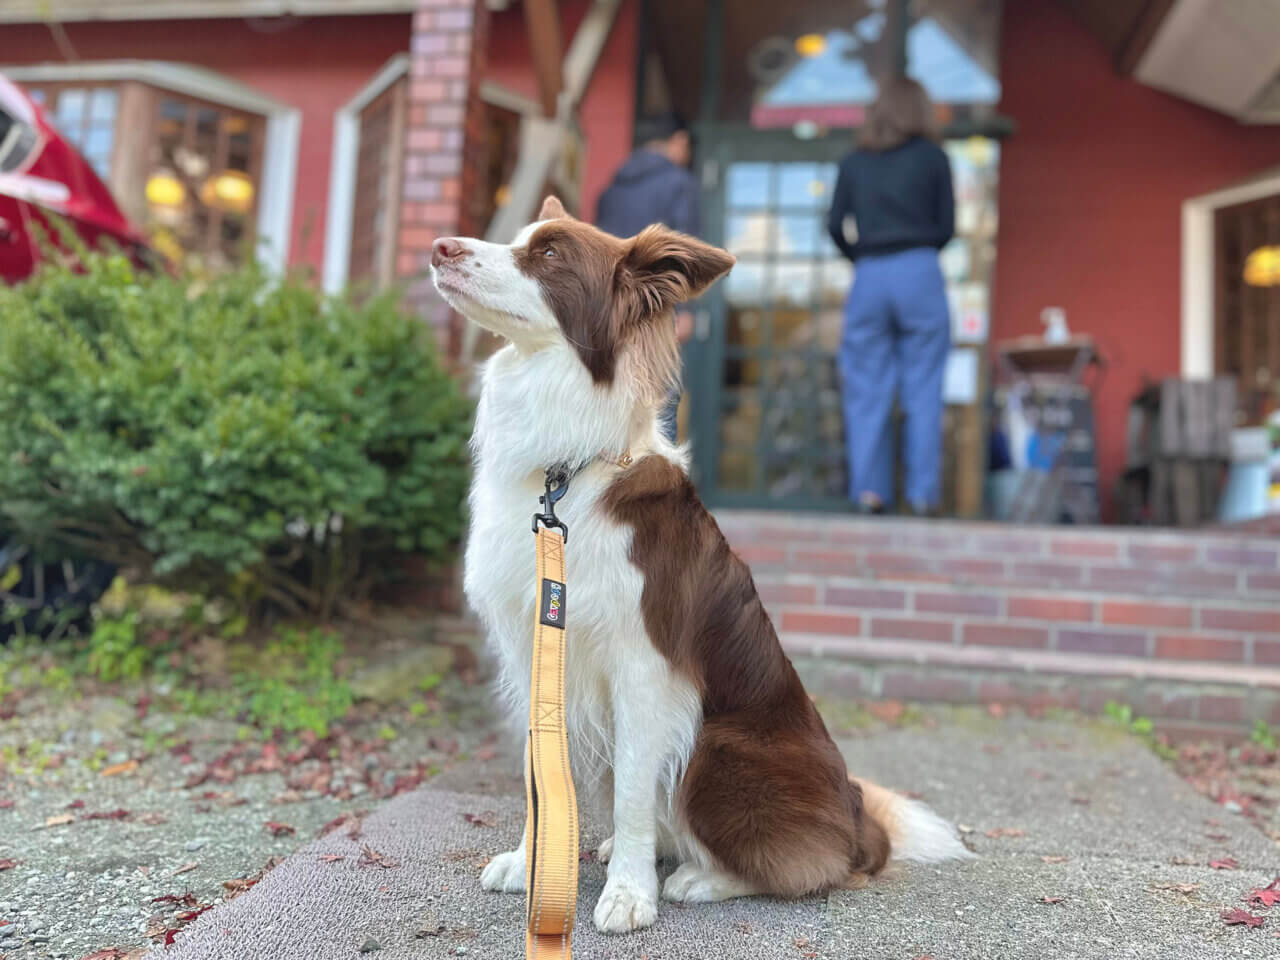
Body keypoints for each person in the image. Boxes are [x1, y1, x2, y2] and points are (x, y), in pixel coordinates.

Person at [827, 76, 954, 515]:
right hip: (920, 269)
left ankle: (870, 493)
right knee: (923, 388)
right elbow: (947, 227)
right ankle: (921, 496)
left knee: (866, 389)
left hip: (870, 275)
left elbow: (833, 225)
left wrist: (862, 256)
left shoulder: (855, 162)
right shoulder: (934, 158)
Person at [595, 112, 700, 443]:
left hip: (610, 312)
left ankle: (613, 488)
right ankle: (655, 491)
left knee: (616, 407)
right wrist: (685, 311)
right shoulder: (679, 184)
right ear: (679, 141)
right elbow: (684, 251)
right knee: (658, 408)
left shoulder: (611, 190)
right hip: (656, 311)